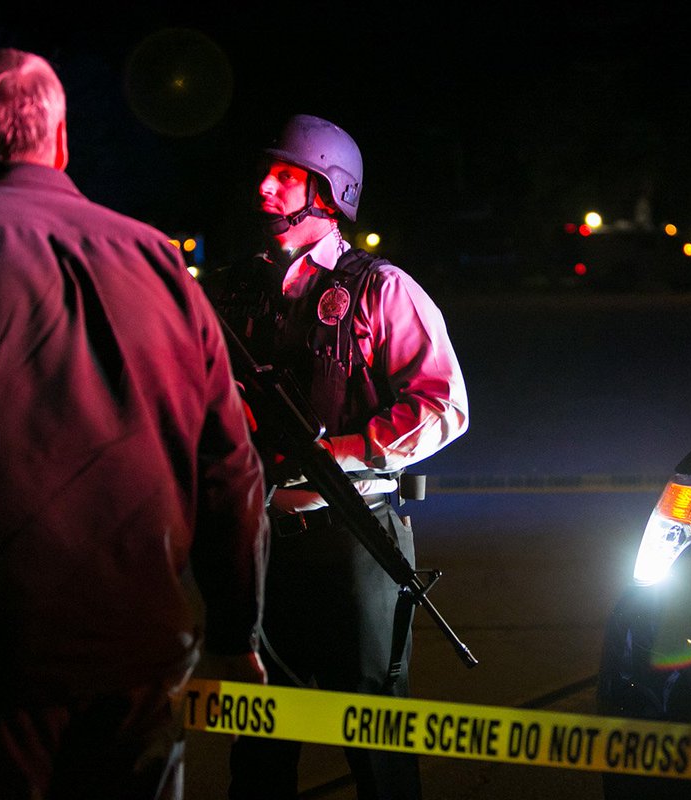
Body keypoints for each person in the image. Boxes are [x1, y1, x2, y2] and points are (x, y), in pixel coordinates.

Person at [0, 48, 269, 799]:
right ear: (60, 143)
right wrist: (235, 629)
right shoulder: (160, 263)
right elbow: (230, 467)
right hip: (142, 666)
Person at [206, 113, 468, 800]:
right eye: (266, 173)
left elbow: (444, 406)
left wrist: (340, 452)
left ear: (330, 190)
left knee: (376, 748)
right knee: (258, 751)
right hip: (260, 545)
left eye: (286, 175)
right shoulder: (232, 292)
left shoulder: (382, 289)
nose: (264, 188)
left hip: (356, 539)